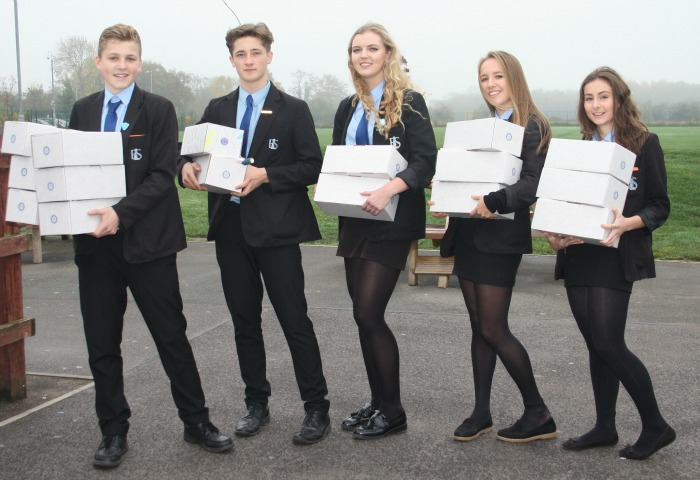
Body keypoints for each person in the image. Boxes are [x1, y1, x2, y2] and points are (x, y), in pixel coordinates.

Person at [69, 24, 232, 468]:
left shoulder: (158, 109)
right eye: (114, 58)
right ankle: (113, 431)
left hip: (149, 247)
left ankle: (196, 421)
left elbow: (162, 176)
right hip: (95, 250)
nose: (122, 66)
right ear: (99, 62)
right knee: (102, 344)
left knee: (171, 337)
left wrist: (120, 214)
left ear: (140, 63)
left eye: (130, 58)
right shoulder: (81, 111)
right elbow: (70, 175)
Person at [178, 23, 330, 445]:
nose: (248, 60)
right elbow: (188, 155)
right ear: (232, 60)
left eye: (255, 53)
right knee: (245, 322)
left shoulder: (293, 108)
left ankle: (316, 408)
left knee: (294, 320)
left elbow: (312, 166)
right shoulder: (218, 107)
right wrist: (185, 168)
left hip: (277, 232)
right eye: (241, 54)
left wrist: (266, 174)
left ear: (269, 56)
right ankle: (256, 403)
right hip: (231, 230)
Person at [544, 67, 675, 460]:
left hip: (615, 255)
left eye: (603, 96)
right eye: (589, 98)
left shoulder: (643, 144)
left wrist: (627, 224)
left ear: (618, 99)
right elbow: (563, 204)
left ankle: (656, 426)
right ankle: (605, 426)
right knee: (594, 345)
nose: (596, 104)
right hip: (579, 253)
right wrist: (555, 234)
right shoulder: (580, 147)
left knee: (609, 343)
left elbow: (659, 206)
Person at [438, 51, 557, 443]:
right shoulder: (484, 126)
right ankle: (481, 412)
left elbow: (531, 184)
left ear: (514, 79)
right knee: (479, 328)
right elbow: (461, 174)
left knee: (493, 326)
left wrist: (494, 201)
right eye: (484, 78)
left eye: (498, 76)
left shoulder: (533, 125)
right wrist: (447, 197)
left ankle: (537, 411)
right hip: (470, 234)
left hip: (500, 238)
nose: (491, 84)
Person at [332, 23, 437, 439]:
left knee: (368, 312)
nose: (363, 55)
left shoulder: (409, 101)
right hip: (354, 219)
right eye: (357, 49)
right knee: (363, 317)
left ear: (388, 53)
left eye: (372, 48)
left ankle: (393, 411)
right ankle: (376, 403)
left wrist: (387, 189)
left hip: (391, 219)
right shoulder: (347, 106)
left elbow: (425, 160)